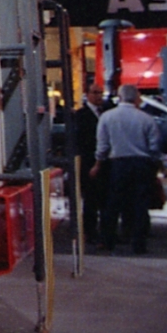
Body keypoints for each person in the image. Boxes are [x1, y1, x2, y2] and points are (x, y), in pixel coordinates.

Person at [94, 83, 164, 253]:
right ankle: (139, 243)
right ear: (136, 98)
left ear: (120, 97)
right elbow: (155, 146)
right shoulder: (146, 119)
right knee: (140, 204)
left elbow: (103, 145)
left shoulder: (107, 117)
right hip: (141, 164)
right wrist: (156, 165)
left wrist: (98, 163)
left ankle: (108, 240)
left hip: (118, 164)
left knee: (113, 203)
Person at [71, 91, 104, 238]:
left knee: (103, 197)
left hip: (104, 161)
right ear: (88, 95)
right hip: (88, 160)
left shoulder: (105, 112)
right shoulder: (81, 115)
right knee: (90, 198)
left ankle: (104, 231)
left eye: (100, 93)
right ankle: (90, 231)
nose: (99, 96)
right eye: (95, 93)